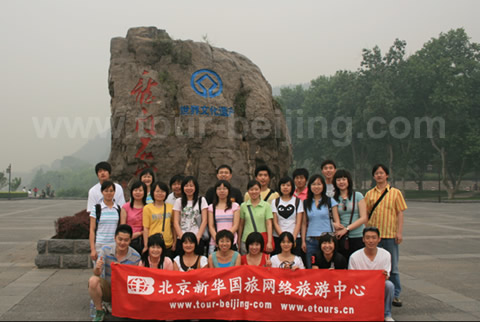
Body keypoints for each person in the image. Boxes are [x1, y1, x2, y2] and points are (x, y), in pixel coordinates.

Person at [365, 164, 407, 307]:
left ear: (387, 175)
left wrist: (399, 232)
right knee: (374, 266)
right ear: (373, 176)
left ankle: (395, 294)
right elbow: (366, 215)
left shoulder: (395, 193)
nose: (379, 175)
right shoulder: (370, 194)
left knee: (393, 267)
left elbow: (400, 213)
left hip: (389, 235)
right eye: (376, 173)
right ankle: (375, 291)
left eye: (382, 173)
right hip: (373, 238)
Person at [88, 224, 140, 322]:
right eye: (120, 239)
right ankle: (99, 311)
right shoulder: (105, 250)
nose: (122, 243)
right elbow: (96, 273)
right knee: (93, 280)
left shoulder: (136, 257)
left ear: (130, 240)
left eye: (126, 240)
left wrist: (121, 270)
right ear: (115, 238)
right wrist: (98, 268)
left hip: (125, 292)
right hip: (109, 288)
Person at [349, 227, 395, 322]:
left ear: (379, 239)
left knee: (389, 285)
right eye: (368, 238)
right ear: (363, 239)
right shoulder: (354, 256)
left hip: (377, 286)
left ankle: (387, 314)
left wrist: (385, 276)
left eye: (374, 238)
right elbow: (352, 278)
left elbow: (387, 276)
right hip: (360, 286)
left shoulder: (386, 254)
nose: (371, 241)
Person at [302, 174, 341, 269]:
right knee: (311, 269)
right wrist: (303, 241)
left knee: (327, 269)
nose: (316, 187)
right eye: (314, 184)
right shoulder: (306, 203)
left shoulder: (330, 201)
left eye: (319, 184)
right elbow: (303, 223)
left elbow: (337, 222)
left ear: (323, 186)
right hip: (311, 240)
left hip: (327, 241)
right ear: (309, 186)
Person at [333, 169, 368, 261]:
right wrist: (339, 228)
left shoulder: (358, 196)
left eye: (344, 179)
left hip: (358, 235)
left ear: (349, 180)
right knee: (343, 264)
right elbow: (336, 219)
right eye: (338, 180)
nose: (341, 182)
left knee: (358, 263)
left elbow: (363, 218)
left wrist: (347, 229)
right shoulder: (334, 199)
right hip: (342, 237)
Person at [172, 176, 208, 255]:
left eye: (191, 186)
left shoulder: (201, 200)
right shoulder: (178, 201)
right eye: (186, 186)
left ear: (196, 187)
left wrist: (198, 237)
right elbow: (175, 222)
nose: (189, 188)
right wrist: (182, 238)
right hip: (181, 238)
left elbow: (204, 220)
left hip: (197, 238)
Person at [271, 176, 304, 258]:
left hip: (295, 237)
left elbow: (298, 222)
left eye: (288, 185)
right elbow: (275, 222)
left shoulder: (298, 201)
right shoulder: (275, 202)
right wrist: (283, 238)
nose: (285, 187)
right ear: (279, 187)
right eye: (283, 185)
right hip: (278, 237)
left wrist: (292, 239)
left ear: (292, 187)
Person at [238, 180, 274, 255]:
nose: (254, 192)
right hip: (246, 240)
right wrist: (239, 241)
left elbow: (269, 224)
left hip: (261, 241)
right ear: (248, 191)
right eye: (251, 189)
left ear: (260, 190)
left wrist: (269, 241)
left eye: (256, 189)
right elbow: (241, 225)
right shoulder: (243, 206)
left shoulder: (266, 205)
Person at [89, 181, 121, 262]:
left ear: (114, 192)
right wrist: (93, 249)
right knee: (99, 271)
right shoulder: (96, 209)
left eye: (111, 191)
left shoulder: (118, 209)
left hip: (114, 246)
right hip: (100, 245)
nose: (109, 193)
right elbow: (92, 230)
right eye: (106, 191)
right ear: (102, 192)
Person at [143, 181, 175, 257]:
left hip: (167, 244)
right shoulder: (147, 208)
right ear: (152, 193)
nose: (160, 193)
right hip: (153, 245)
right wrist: (146, 245)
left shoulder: (170, 207)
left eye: (162, 191)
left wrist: (175, 243)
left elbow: (173, 226)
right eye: (157, 191)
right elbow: (146, 228)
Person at [207, 180, 240, 254]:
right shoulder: (211, 207)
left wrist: (227, 239)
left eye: (224, 188)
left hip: (231, 241)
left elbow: (236, 225)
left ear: (229, 191)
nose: (222, 191)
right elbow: (211, 226)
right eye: (219, 189)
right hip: (215, 242)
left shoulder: (235, 206)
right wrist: (218, 239)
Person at [120, 181, 147, 254]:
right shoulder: (125, 207)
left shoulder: (148, 208)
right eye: (135, 190)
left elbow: (148, 226)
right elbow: (122, 226)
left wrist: (139, 233)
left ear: (145, 192)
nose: (138, 192)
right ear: (132, 192)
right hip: (128, 240)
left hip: (143, 240)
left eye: (140, 190)